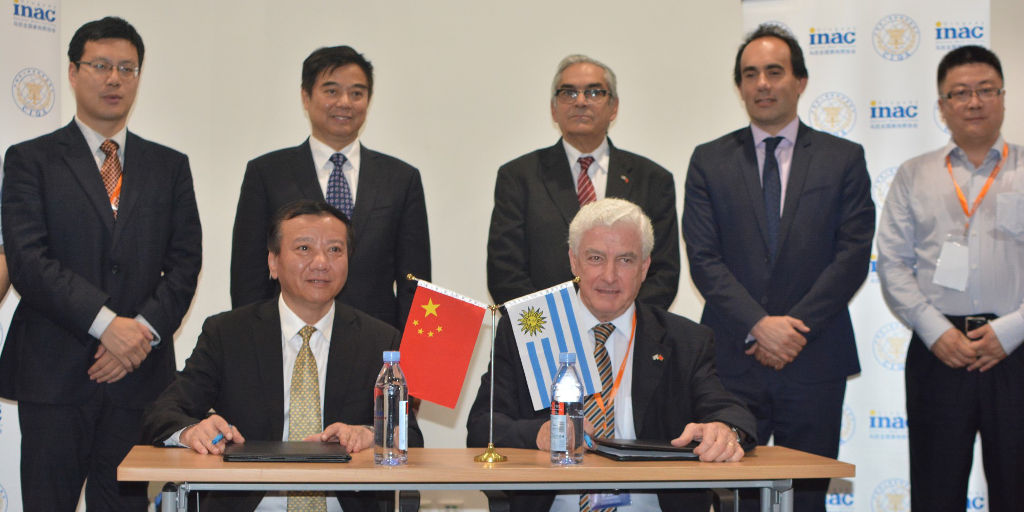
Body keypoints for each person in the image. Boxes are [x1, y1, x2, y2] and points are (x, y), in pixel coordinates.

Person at [0, 16, 202, 511]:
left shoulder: (169, 166)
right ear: (73, 72)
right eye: (101, 66)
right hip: (54, 375)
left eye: (127, 69)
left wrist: (140, 335)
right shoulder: (29, 160)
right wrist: (106, 325)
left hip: (139, 379)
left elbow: (185, 263)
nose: (115, 79)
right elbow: (28, 261)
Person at [681, 24, 874, 511]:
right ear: (739, 86)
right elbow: (703, 257)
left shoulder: (843, 158)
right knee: (734, 496)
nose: (762, 84)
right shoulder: (708, 161)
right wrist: (759, 325)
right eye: (750, 74)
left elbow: (852, 254)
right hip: (732, 359)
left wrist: (792, 329)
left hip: (815, 357)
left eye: (774, 71)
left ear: (800, 81)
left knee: (807, 497)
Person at [469, 198, 755, 512]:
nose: (609, 275)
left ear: (644, 267)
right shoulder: (531, 328)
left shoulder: (685, 340)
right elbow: (483, 426)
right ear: (574, 262)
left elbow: (729, 411)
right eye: (595, 258)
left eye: (625, 260)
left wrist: (725, 430)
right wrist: (539, 434)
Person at [144, 200, 424, 511]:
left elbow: (411, 435)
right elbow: (164, 412)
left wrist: (371, 434)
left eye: (335, 250)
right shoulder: (228, 334)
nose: (321, 262)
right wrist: (193, 431)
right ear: (273, 262)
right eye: (304, 248)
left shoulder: (378, 340)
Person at [877, 45, 1024, 512]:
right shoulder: (913, 175)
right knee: (935, 492)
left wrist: (1011, 331)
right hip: (938, 351)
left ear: (1003, 97)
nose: (974, 102)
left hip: (1017, 348)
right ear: (942, 105)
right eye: (960, 93)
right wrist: (936, 332)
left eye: (986, 90)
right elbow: (892, 262)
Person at [230, 45, 429, 330]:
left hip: (375, 340)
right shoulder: (267, 174)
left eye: (356, 93)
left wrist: (407, 349)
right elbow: (248, 276)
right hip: (288, 338)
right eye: (332, 91)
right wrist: (253, 340)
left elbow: (415, 284)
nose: (345, 102)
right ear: (306, 97)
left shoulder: (400, 179)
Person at [487, 54, 679, 308]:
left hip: (628, 329)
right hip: (546, 328)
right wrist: (557, 324)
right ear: (554, 109)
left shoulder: (652, 180)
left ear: (614, 107)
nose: (580, 102)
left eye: (594, 92)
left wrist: (616, 324)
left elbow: (663, 275)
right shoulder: (519, 177)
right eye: (568, 93)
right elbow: (505, 274)